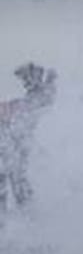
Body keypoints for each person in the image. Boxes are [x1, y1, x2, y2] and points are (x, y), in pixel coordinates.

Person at [0, 63, 57, 212]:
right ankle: (21, 213)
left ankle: (25, 213)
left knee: (15, 177)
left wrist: (50, 81)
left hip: (16, 145)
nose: (24, 82)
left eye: (26, 78)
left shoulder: (36, 99)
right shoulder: (32, 99)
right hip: (12, 145)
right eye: (24, 79)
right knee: (13, 177)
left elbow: (40, 103)